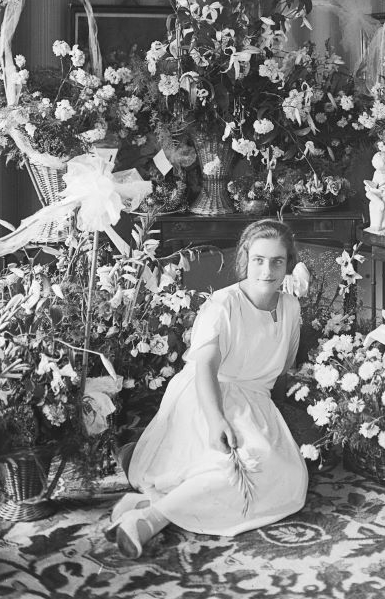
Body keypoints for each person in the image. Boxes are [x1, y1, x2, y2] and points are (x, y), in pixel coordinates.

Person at [107, 219, 308, 558]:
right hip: (207, 394)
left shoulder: (290, 307)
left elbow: (283, 365)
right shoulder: (222, 305)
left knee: (288, 478)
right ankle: (148, 520)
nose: (268, 270)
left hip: (254, 402)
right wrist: (216, 420)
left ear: (288, 263)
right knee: (234, 468)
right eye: (259, 260)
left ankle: (146, 503)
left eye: (278, 261)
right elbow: (205, 369)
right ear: (245, 259)